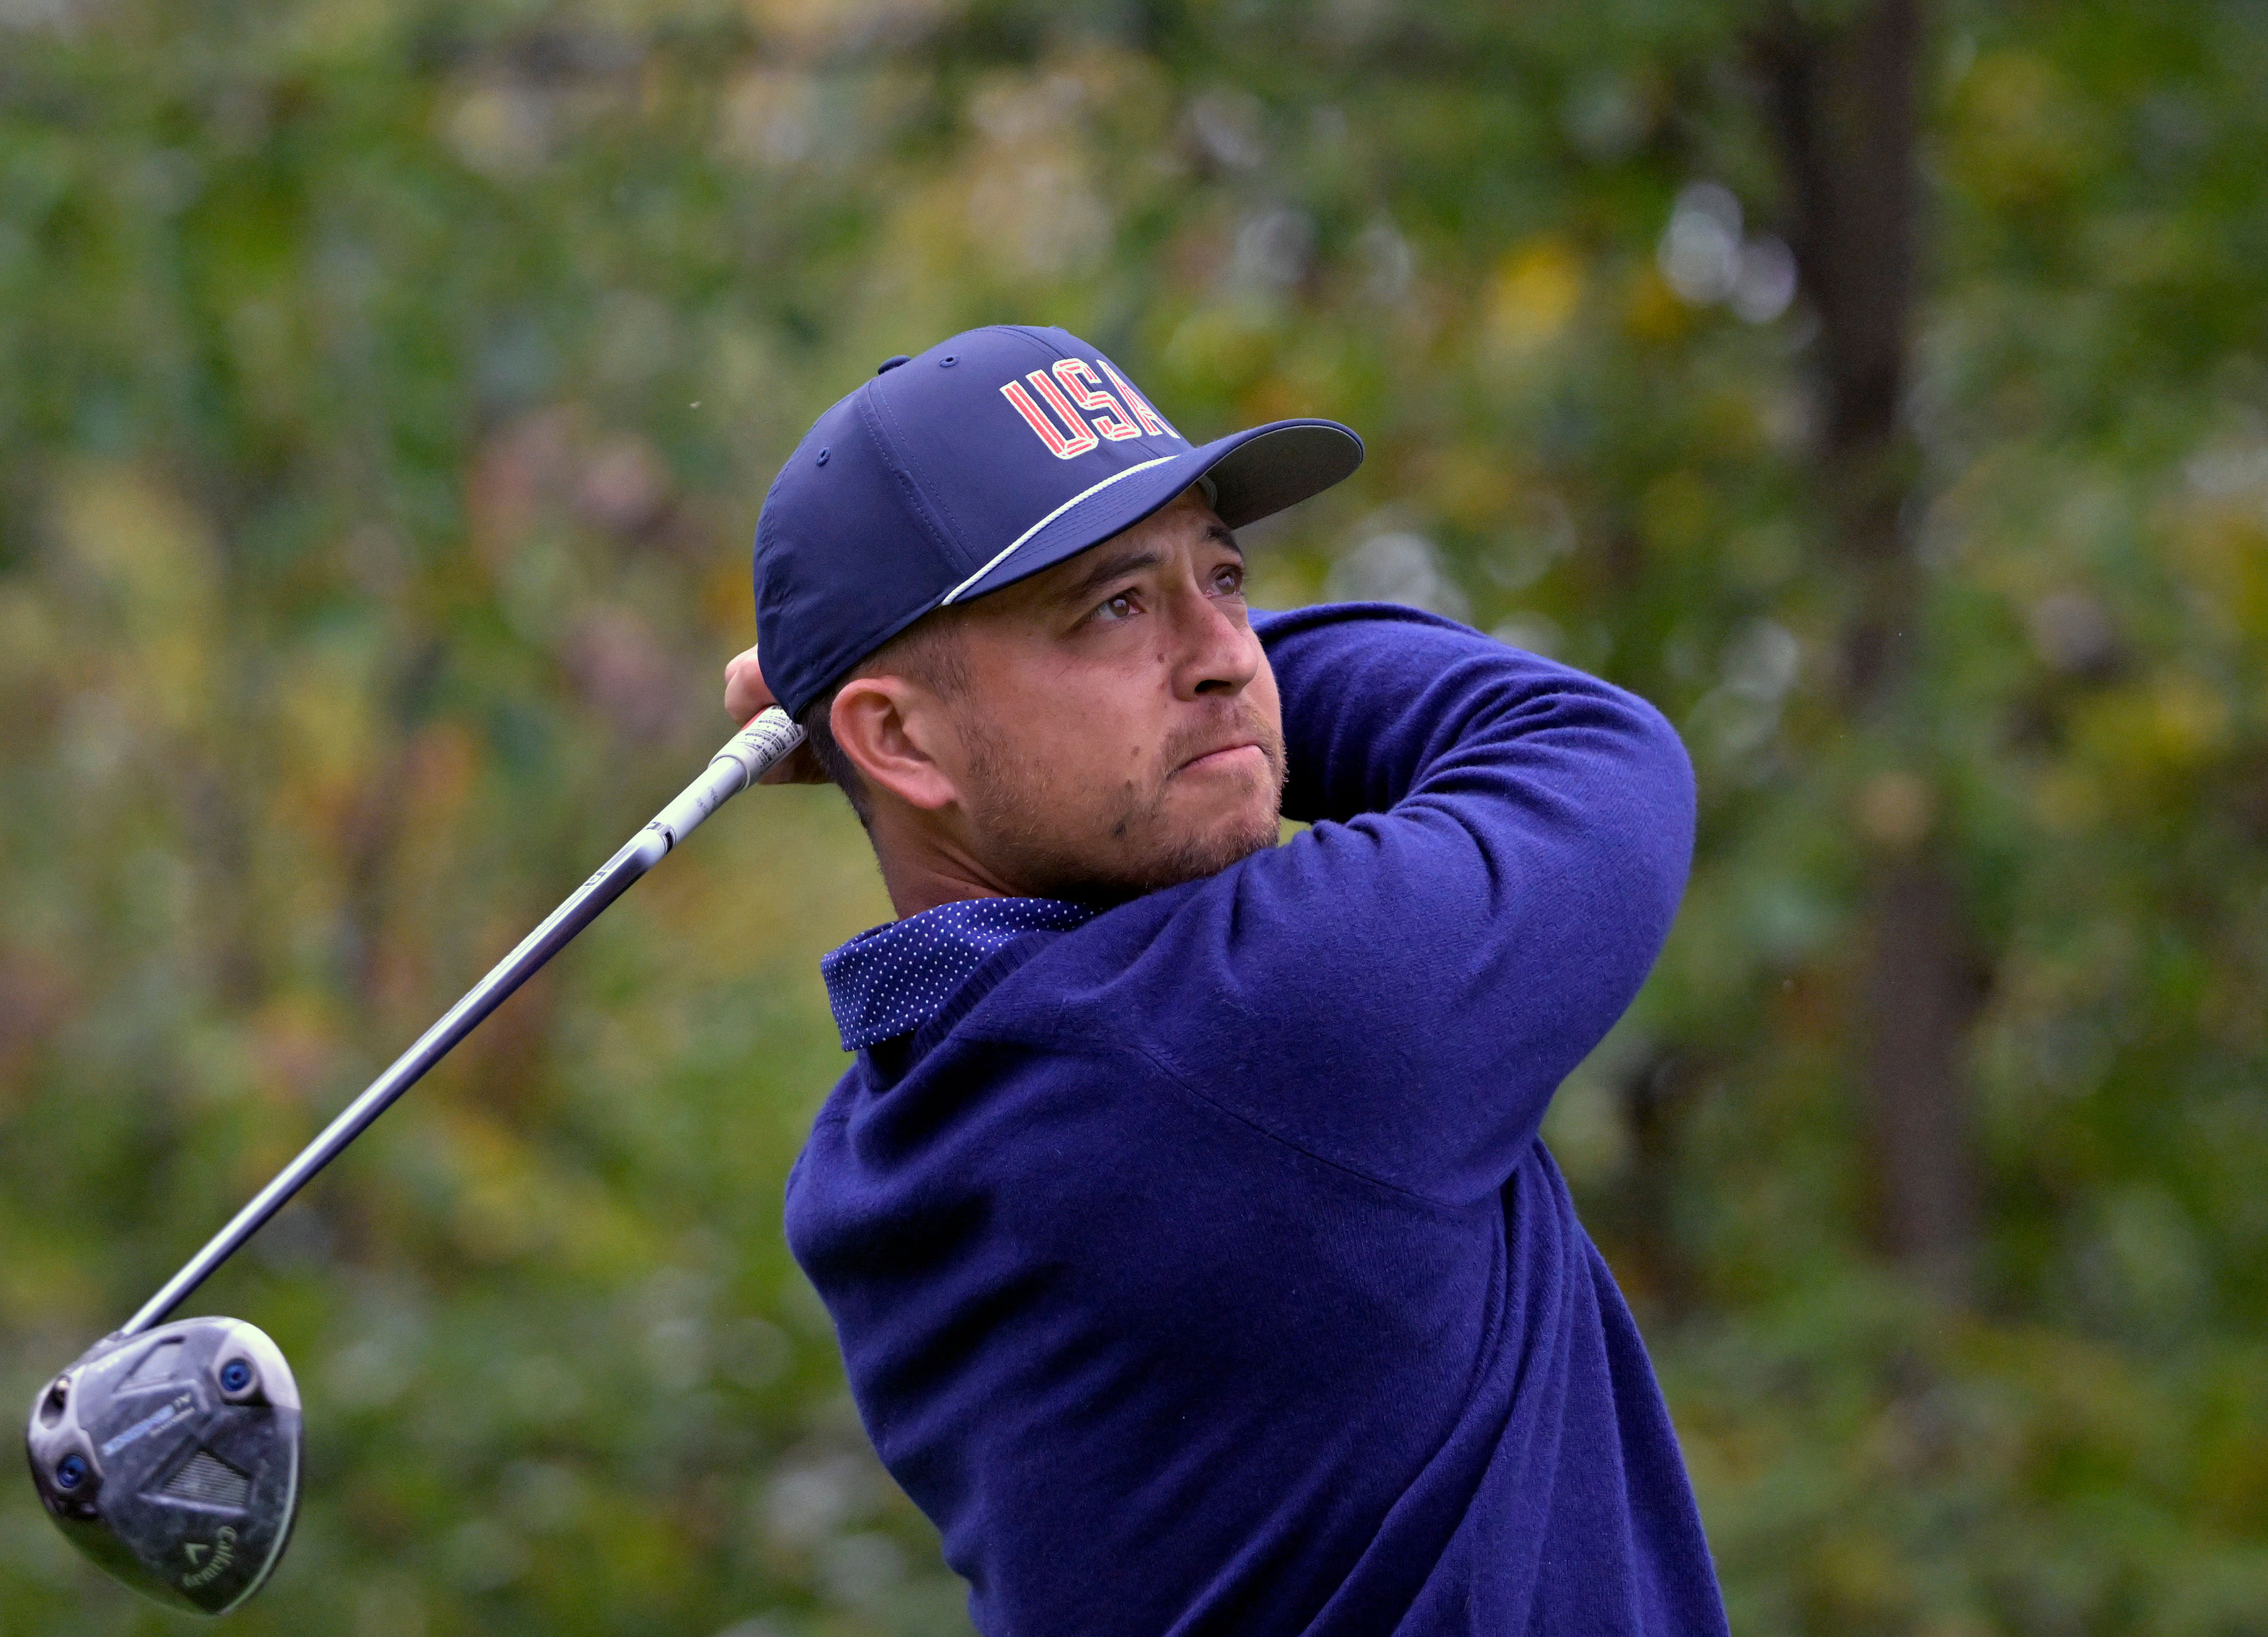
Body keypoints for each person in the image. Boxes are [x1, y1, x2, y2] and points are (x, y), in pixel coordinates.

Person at [721, 324, 1725, 1636]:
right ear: (896, 737)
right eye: (1114, 607)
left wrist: (921, 719)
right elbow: (1585, 748)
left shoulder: (875, 1155)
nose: (1227, 654)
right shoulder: (1273, 1022)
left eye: (1229, 579)